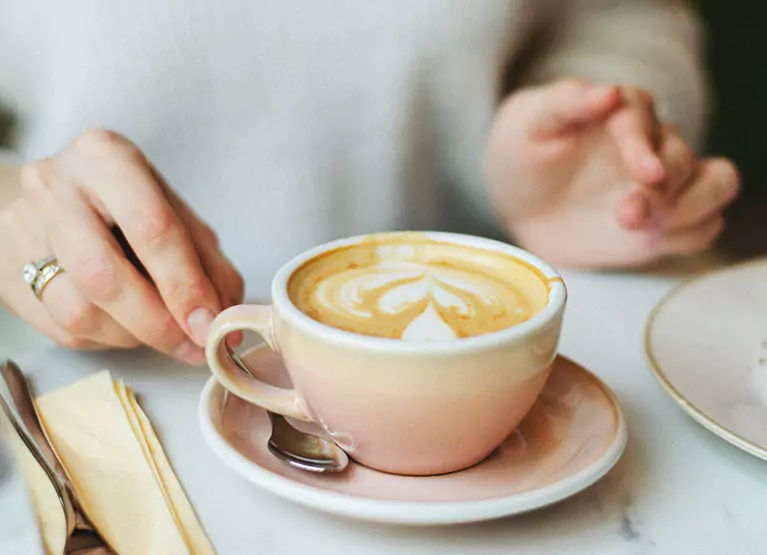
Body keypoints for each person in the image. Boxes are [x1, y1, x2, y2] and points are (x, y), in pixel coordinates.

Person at [0, 1, 739, 365]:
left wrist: (609, 123)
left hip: (531, 329)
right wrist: (9, 205)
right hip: (112, 374)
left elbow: (625, 13)